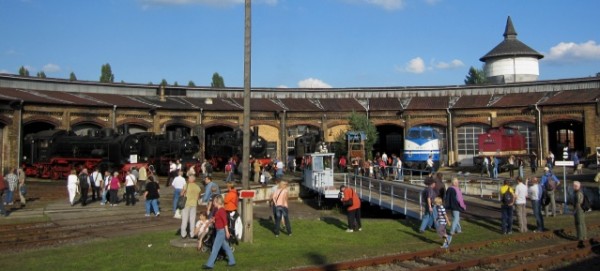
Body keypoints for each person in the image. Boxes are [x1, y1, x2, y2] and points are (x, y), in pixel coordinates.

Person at [202, 195, 236, 269]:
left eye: (214, 202)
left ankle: (209, 264)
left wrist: (227, 232)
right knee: (226, 247)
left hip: (221, 231)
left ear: (218, 202)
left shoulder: (222, 211)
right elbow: (214, 219)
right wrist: (207, 225)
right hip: (219, 231)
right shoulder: (218, 210)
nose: (213, 203)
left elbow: (225, 223)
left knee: (215, 248)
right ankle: (232, 261)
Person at [572, 181, 587, 248]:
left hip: (579, 210)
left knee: (579, 223)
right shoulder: (580, 192)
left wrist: (574, 211)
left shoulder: (578, 193)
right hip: (580, 210)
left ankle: (580, 237)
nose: (573, 187)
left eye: (573, 186)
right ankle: (584, 236)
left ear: (576, 186)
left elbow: (578, 203)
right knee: (582, 223)